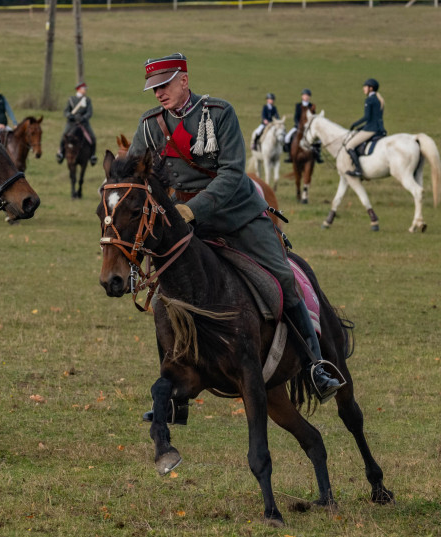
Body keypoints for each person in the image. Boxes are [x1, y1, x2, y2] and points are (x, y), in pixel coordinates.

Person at [126, 53, 345, 422]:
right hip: (183, 223)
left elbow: (230, 174)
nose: (159, 93)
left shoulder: (218, 113)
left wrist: (193, 210)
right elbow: (135, 173)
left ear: (184, 80)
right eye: (154, 88)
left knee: (284, 277)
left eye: (164, 85)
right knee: (165, 298)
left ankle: (316, 365)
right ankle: (173, 396)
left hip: (235, 214)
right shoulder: (149, 125)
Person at [342, 78, 386, 177]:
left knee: (349, 146)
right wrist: (361, 128)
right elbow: (374, 118)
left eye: (365, 87)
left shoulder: (369, 100)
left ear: (371, 88)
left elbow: (367, 117)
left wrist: (355, 124)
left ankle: (358, 170)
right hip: (379, 128)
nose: (363, 89)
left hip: (371, 129)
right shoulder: (379, 99)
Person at [57, 82, 97, 165]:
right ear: (79, 89)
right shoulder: (71, 100)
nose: (85, 90)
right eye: (84, 89)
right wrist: (72, 117)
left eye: (85, 89)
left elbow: (89, 113)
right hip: (72, 123)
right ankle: (61, 153)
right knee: (63, 136)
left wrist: (83, 118)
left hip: (84, 124)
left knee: (93, 137)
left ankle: (92, 156)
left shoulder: (87, 100)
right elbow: (66, 112)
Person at [284, 89, 322, 163]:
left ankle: (318, 156)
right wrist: (298, 124)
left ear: (309, 97)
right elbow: (296, 117)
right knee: (287, 137)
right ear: (302, 96)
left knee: (319, 140)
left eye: (308, 96)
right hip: (298, 126)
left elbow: (313, 116)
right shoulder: (298, 105)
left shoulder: (311, 106)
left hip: (309, 127)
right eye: (305, 95)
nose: (306, 97)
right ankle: (289, 156)